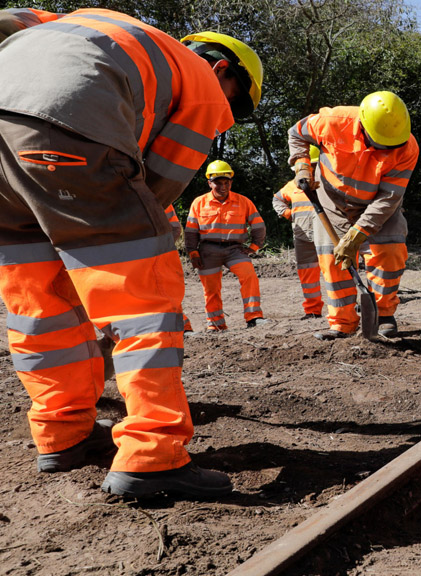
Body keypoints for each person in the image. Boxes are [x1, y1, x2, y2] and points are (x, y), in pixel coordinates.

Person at [0, 7, 263, 498]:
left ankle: (63, 434)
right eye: (236, 104)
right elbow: (159, 185)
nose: (227, 114)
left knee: (36, 298)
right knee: (143, 298)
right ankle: (153, 455)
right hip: (70, 124)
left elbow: (11, 20)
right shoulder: (200, 81)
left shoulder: (99, 26)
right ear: (223, 70)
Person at [287, 91, 419, 340]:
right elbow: (296, 133)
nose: (385, 150)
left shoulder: (408, 147)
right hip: (332, 202)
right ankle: (343, 324)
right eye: (380, 144)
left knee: (390, 250)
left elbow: (388, 199)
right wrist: (302, 165)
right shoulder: (333, 121)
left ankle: (384, 314)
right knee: (332, 259)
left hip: (378, 205)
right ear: (363, 126)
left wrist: (358, 234)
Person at [185, 161, 270, 330]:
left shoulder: (243, 201)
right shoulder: (199, 203)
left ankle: (254, 317)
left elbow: (258, 226)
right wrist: (193, 252)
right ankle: (216, 324)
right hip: (208, 251)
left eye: (226, 182)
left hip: (235, 250)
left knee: (249, 276)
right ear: (210, 182)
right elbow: (191, 231)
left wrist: (254, 247)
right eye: (218, 183)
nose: (223, 186)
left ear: (231, 182)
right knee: (211, 288)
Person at [272, 146, 324, 320]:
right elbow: (277, 199)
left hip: (326, 236)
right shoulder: (292, 185)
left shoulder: (327, 183)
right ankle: (312, 310)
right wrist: (288, 214)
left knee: (338, 271)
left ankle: (346, 306)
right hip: (303, 238)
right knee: (307, 274)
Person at [165, 206, 195, 334]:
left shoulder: (158, 195)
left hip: (155, 254)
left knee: (165, 290)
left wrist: (159, 248)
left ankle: (183, 327)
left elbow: (175, 227)